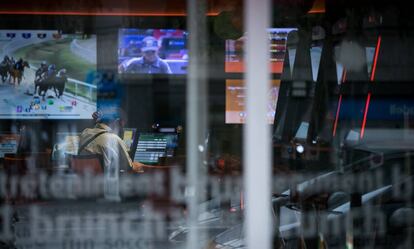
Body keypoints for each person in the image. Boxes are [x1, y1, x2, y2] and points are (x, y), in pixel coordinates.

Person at [79, 110, 144, 173]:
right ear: (117, 122)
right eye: (121, 126)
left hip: (84, 179)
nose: (121, 129)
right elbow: (128, 167)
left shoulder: (85, 132)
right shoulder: (114, 139)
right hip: (106, 182)